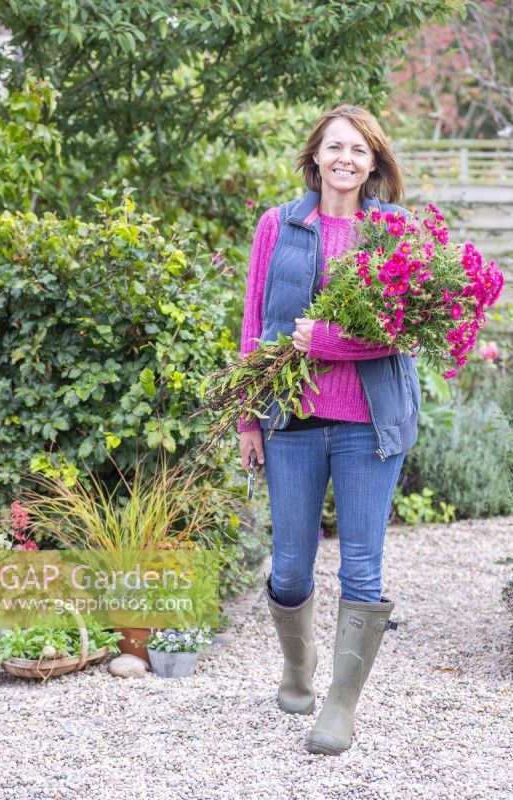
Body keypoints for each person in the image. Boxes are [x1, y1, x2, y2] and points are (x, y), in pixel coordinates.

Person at [237, 104, 421, 756]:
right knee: (288, 567)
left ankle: (340, 705)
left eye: (358, 150)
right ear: (314, 155)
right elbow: (255, 323)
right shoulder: (278, 225)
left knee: (362, 568)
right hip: (290, 420)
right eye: (333, 147)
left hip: (368, 423)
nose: (344, 159)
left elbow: (402, 332)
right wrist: (247, 417)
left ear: (373, 164)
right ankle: (297, 665)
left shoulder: (394, 230)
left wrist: (327, 342)